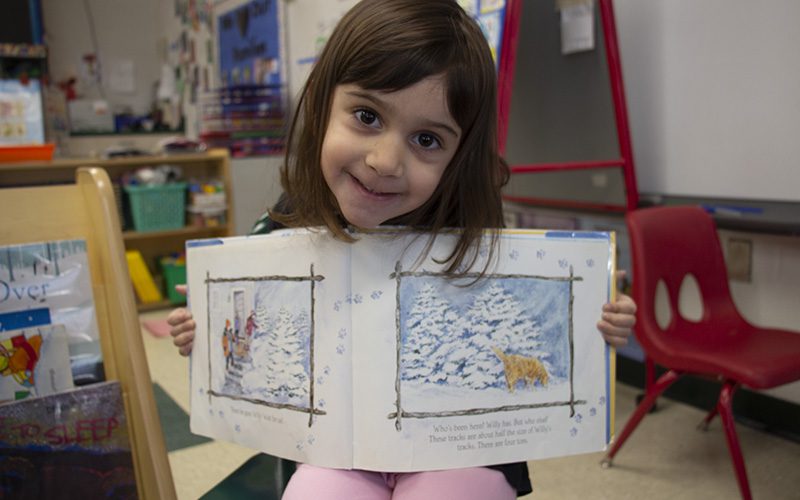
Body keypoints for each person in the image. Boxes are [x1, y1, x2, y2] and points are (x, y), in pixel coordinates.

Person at [167, 1, 636, 498]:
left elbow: (535, 330)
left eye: (427, 140)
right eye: (366, 116)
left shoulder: (472, 228)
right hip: (334, 450)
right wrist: (197, 327)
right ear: (325, 103)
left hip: (459, 449)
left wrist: (601, 315)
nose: (385, 161)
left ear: (460, 156)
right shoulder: (288, 221)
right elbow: (245, 324)